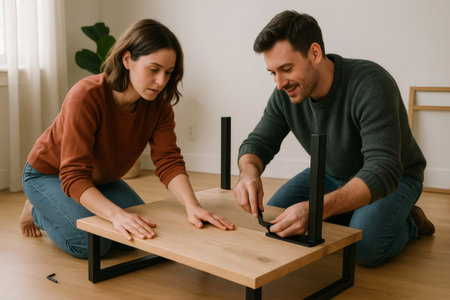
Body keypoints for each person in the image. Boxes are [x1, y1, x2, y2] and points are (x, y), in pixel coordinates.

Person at [19, 19, 234, 258]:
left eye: (169, 73)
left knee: (140, 234)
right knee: (92, 245)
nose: (162, 81)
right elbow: (73, 174)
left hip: (99, 179)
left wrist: (193, 207)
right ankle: (38, 210)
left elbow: (168, 161)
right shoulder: (85, 96)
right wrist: (115, 214)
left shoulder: (159, 106)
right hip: (51, 174)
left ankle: (64, 208)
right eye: (154, 69)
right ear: (127, 59)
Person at [233, 10, 435, 266]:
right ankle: (350, 213)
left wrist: (318, 209)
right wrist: (248, 172)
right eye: (272, 72)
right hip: (330, 174)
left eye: (286, 69)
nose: (279, 83)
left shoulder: (371, 83)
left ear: (315, 54)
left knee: (365, 249)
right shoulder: (285, 94)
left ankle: (411, 222)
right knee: (277, 223)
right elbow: (257, 144)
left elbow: (383, 169)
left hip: (396, 177)